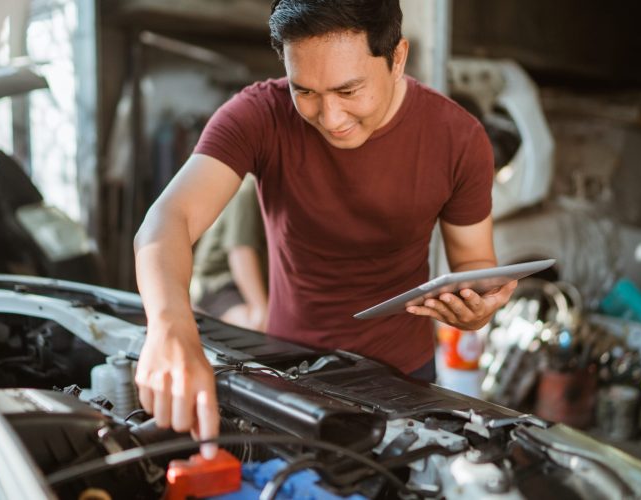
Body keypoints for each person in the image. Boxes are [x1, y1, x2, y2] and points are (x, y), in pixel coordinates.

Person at [133, 0, 517, 458]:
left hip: (404, 381)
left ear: (397, 58)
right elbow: (167, 220)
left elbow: (474, 260)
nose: (330, 118)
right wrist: (169, 325)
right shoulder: (259, 114)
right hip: (286, 371)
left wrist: (476, 308)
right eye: (306, 91)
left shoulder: (459, 138)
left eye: (349, 90)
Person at [190, 174, 268, 331]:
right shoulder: (249, 188)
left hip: (261, 281)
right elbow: (240, 252)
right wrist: (261, 310)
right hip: (219, 283)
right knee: (259, 325)